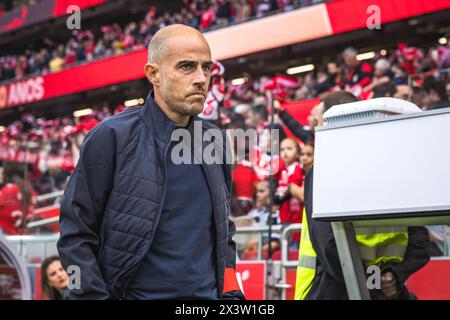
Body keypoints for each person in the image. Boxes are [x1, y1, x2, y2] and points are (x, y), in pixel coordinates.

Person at [57, 24, 244, 300]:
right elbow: (75, 235)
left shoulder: (214, 139)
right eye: (186, 67)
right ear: (153, 74)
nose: (201, 78)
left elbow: (223, 230)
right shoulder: (110, 137)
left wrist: (231, 295)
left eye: (206, 68)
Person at [295, 92, 432, 300]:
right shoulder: (397, 172)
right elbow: (420, 243)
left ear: (334, 121)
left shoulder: (324, 169)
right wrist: (385, 280)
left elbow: (328, 244)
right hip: (383, 290)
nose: (316, 131)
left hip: (334, 291)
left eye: (318, 122)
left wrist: (370, 283)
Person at [0, 162, 36, 235]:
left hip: (5, 233)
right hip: (16, 233)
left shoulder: (10, 189)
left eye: (3, 173)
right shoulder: (29, 189)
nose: (2, 175)